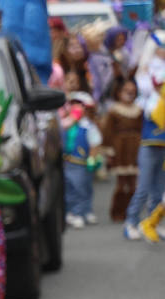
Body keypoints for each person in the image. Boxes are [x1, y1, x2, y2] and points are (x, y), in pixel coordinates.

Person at [123, 30, 165, 240]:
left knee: (160, 187)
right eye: (161, 48)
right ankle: (130, 221)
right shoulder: (146, 76)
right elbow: (149, 99)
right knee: (144, 186)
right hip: (150, 141)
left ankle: (153, 222)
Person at [100, 77, 144, 222]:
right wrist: (109, 152)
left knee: (133, 184)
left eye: (132, 91)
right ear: (118, 93)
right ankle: (118, 211)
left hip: (135, 148)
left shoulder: (139, 110)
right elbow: (108, 132)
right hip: (120, 149)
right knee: (121, 183)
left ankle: (132, 212)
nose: (129, 94)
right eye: (126, 91)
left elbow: (142, 130)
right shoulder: (114, 111)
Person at [61, 92, 104, 228]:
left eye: (79, 105)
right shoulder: (67, 123)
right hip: (67, 162)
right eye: (73, 104)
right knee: (69, 189)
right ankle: (71, 212)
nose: (75, 107)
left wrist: (92, 159)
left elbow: (95, 143)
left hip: (81, 164)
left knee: (82, 188)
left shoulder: (88, 127)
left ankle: (81, 212)